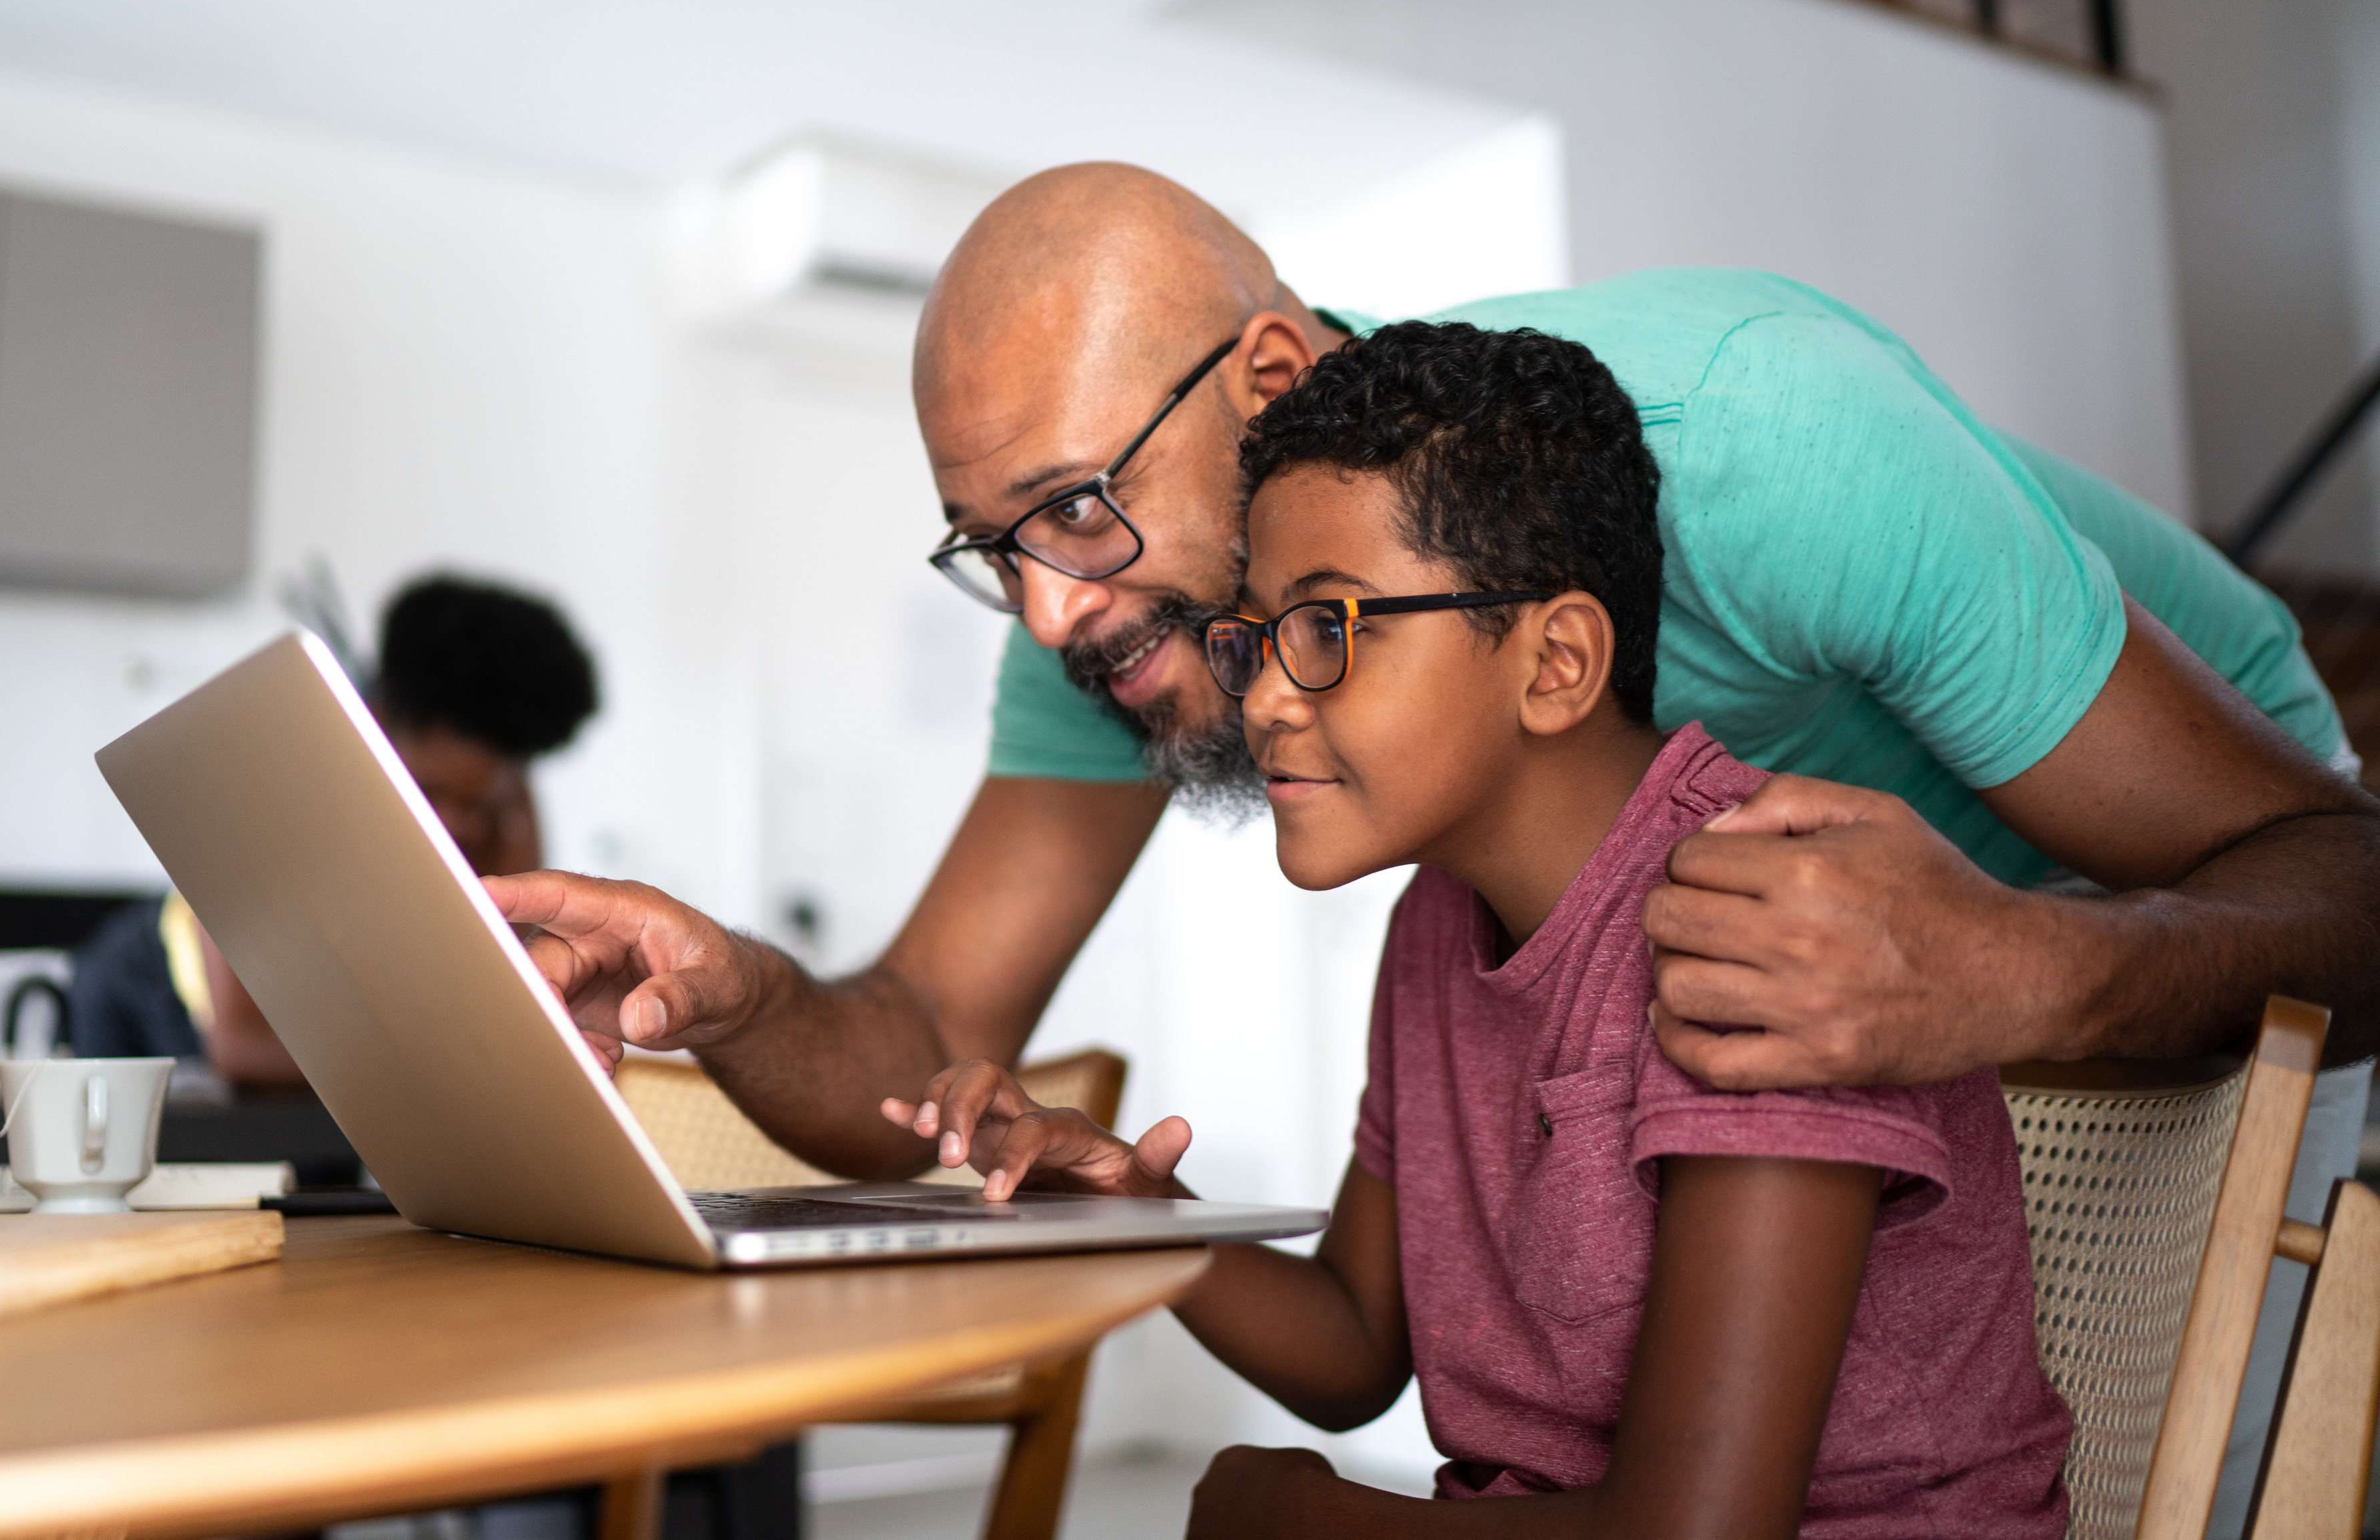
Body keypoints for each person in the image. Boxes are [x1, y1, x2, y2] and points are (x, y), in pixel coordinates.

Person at [492, 165, 2378, 1524]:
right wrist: (728, 992)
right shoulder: (1292, 767)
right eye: (991, 548)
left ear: (1266, 375)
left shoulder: (1761, 448)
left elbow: (2336, 876)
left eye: (1071, 507)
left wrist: (2021, 961)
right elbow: (933, 1040)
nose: (1049, 616)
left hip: (2162, 875)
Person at [891, 320, 2072, 1537]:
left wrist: (1306, 1519)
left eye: (1330, 628)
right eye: (1256, 637)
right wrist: (1124, 1210)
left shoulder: (1767, 921)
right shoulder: (1434, 925)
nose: (1268, 699)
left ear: (1555, 661)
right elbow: (1355, 1345)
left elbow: (1696, 1529)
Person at [73, 572, 600, 1077]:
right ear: (376, 721)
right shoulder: (282, 805)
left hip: (344, 1031)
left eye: (480, 806)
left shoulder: (506, 811)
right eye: (430, 791)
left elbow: (496, 992)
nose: (455, 826)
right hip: (162, 1000)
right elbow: (239, 1045)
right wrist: (447, 1062)